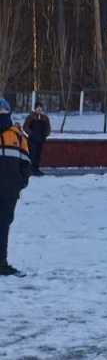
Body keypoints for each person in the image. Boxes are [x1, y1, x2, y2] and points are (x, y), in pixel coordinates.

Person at [0, 98, 32, 276]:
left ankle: (1, 263)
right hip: (10, 190)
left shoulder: (18, 135)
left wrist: (19, 183)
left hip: (9, 191)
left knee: (3, 227)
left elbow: (25, 163)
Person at [22, 102, 50, 176]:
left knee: (38, 154)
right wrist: (31, 133)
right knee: (32, 154)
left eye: (41, 107)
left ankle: (36, 169)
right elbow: (25, 127)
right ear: (35, 108)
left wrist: (45, 134)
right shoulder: (31, 117)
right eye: (38, 107)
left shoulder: (45, 118)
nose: (39, 109)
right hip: (32, 140)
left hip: (41, 139)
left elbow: (48, 128)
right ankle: (30, 169)